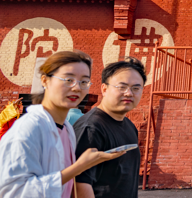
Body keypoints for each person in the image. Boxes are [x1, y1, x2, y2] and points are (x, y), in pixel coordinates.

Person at [0, 51, 127, 198]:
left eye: (84, 82)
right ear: (45, 80)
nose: (77, 88)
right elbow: (14, 192)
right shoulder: (29, 128)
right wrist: (79, 167)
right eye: (68, 80)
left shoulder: (66, 129)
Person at [74, 57, 147, 198]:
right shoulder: (91, 127)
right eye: (122, 87)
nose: (129, 93)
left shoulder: (129, 125)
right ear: (104, 89)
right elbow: (79, 183)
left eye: (136, 88)